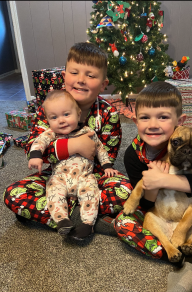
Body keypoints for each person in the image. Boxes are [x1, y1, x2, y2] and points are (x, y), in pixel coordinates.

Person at [114, 81, 192, 292]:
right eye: (145, 117)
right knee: (122, 222)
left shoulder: (191, 139)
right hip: (156, 211)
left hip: (187, 216)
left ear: (178, 122)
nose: (153, 124)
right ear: (134, 120)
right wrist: (151, 185)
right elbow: (145, 205)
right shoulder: (133, 155)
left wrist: (165, 179)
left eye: (163, 117)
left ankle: (184, 253)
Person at [4, 42, 132, 239]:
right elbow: (32, 147)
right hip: (56, 175)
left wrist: (99, 163)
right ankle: (84, 217)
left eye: (90, 75)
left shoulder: (108, 113)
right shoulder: (48, 107)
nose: (81, 80)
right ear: (64, 77)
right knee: (14, 194)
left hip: (91, 176)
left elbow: (108, 156)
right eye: (74, 73)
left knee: (126, 190)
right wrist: (72, 145)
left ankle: (57, 213)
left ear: (103, 84)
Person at [28, 90, 118, 239]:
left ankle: (87, 225)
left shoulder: (88, 132)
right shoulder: (52, 133)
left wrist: (107, 165)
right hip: (60, 177)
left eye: (66, 115)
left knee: (92, 192)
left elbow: (100, 149)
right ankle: (62, 220)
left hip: (85, 176)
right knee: (53, 193)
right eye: (54, 117)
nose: (61, 121)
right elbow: (39, 142)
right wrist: (36, 155)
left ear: (78, 114)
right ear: (48, 121)